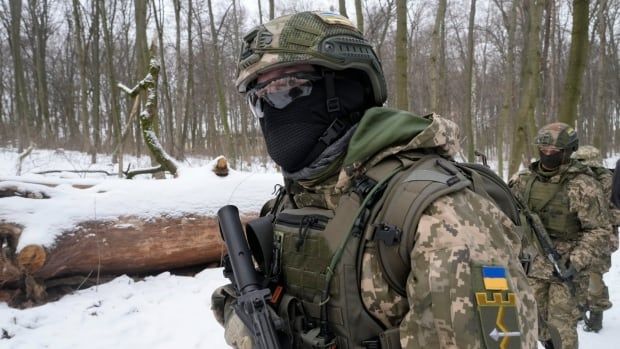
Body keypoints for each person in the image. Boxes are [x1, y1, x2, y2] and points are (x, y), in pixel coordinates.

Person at [212, 11, 537, 348]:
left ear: (348, 87)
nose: (271, 108)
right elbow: (249, 293)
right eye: (258, 98)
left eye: (286, 88)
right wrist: (240, 317)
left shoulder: (442, 216)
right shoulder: (294, 200)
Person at [509, 124, 612, 348]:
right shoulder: (525, 181)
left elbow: (600, 230)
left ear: (568, 151)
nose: (547, 154)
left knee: (561, 330)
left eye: (554, 151)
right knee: (534, 325)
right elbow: (508, 217)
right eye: (543, 149)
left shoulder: (583, 185)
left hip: (567, 271)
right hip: (533, 267)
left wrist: (575, 261)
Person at [571, 145, 618, 331]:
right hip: (580, 235)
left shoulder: (608, 182)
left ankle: (596, 315)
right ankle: (581, 309)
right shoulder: (578, 180)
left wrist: (599, 216)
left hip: (603, 238)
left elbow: (616, 212)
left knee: (594, 277)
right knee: (578, 275)